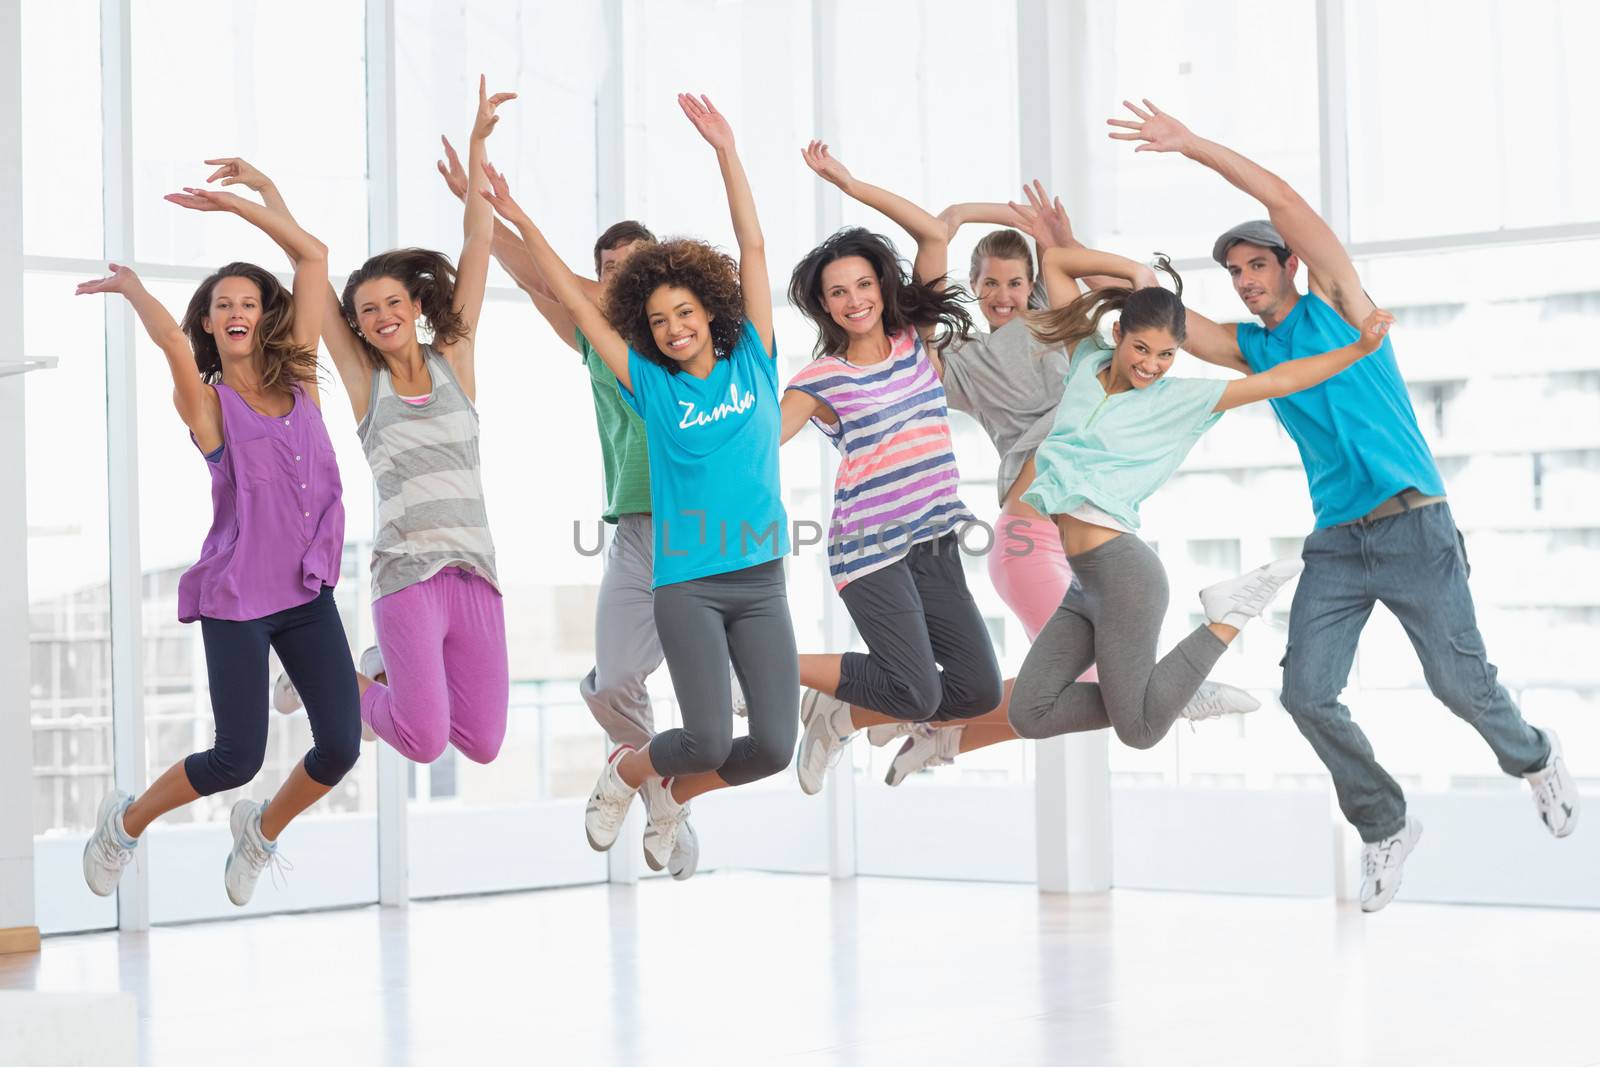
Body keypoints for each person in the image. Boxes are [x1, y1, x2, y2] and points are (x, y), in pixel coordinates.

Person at [1108, 98, 1580, 912]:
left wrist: (1190, 146)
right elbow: (1159, 317)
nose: (1247, 280)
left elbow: (1287, 201)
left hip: (1413, 525)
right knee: (1306, 693)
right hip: (1337, 541)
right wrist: (1064, 253)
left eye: (1258, 264)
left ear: (1290, 265)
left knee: (1460, 686)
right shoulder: (1252, 345)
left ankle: (1535, 757)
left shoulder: (1342, 307)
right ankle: (1385, 822)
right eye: (1237, 272)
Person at [480, 93, 797, 869]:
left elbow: (754, 249)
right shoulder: (652, 388)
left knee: (773, 748)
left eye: (682, 313)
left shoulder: (755, 357)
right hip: (686, 581)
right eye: (657, 322)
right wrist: (516, 216)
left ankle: (667, 795)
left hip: (761, 579)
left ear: (708, 309)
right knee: (707, 736)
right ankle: (627, 768)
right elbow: (579, 308)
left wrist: (727, 150)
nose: (672, 328)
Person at [78, 180, 358, 907]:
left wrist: (247, 202)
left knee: (341, 747)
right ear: (210, 319)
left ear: (265, 317)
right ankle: (124, 824)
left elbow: (314, 256)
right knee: (237, 754)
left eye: (248, 302)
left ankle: (261, 830)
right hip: (238, 598)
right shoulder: (209, 405)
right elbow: (172, 340)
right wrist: (135, 290)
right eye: (222, 304)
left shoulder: (301, 381)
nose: (236, 311)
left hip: (305, 592)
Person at [1009, 240, 1395, 765]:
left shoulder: (1180, 399)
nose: (1153, 365)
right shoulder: (1084, 358)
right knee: (1029, 712)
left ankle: (1229, 615)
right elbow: (1053, 263)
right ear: (1118, 333)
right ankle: (1176, 695)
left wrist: (1356, 351)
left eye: (1166, 354)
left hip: (1123, 576)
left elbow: (1277, 380)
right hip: (1084, 582)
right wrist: (1135, 272)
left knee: (1140, 730)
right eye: (1142, 348)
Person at [433, 140, 700, 878]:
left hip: (702, 526)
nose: (620, 280)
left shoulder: (686, 336)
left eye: (634, 268)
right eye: (609, 270)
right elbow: (537, 277)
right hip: (634, 527)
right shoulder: (591, 337)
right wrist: (480, 207)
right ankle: (661, 802)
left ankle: (700, 745)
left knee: (710, 673)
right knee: (614, 680)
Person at [261, 78, 516, 771]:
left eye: (391, 302)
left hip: (476, 572)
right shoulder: (363, 380)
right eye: (366, 309)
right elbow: (306, 268)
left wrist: (478, 144)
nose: (380, 316)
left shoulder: (454, 360)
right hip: (406, 574)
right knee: (424, 739)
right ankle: (334, 680)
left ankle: (371, 669)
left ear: (414, 304)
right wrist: (270, 202)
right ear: (360, 324)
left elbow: (477, 240)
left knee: (484, 744)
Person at [782, 142, 1002, 796]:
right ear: (825, 306)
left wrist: (850, 182)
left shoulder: (916, 340)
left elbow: (933, 233)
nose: (854, 300)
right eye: (837, 293)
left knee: (975, 689)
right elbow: (760, 441)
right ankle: (774, 666)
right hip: (869, 547)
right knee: (916, 685)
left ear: (881, 285)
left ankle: (839, 713)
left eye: (863, 284)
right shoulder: (821, 378)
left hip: (933, 540)